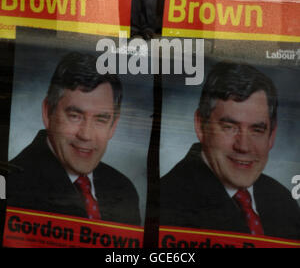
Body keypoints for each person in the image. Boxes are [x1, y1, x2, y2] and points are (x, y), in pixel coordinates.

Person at [160, 61, 300, 240]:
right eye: (229, 127)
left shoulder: (282, 200)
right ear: (200, 126)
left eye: (257, 130)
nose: (243, 146)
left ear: (272, 135)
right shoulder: (168, 201)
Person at [7, 52, 141, 226]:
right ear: (48, 113)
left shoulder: (124, 190)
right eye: (75, 116)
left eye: (101, 119)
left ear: (113, 125)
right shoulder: (14, 187)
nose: (85, 135)